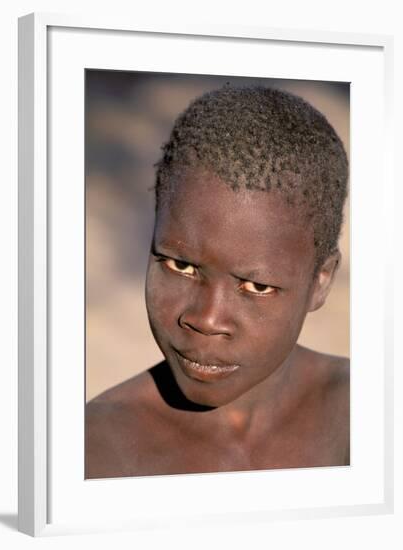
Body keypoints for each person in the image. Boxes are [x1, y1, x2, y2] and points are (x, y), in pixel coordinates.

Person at [85, 85, 350, 479]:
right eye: (180, 265)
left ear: (321, 282)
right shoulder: (93, 449)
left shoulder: (369, 412)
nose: (206, 319)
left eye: (256, 287)